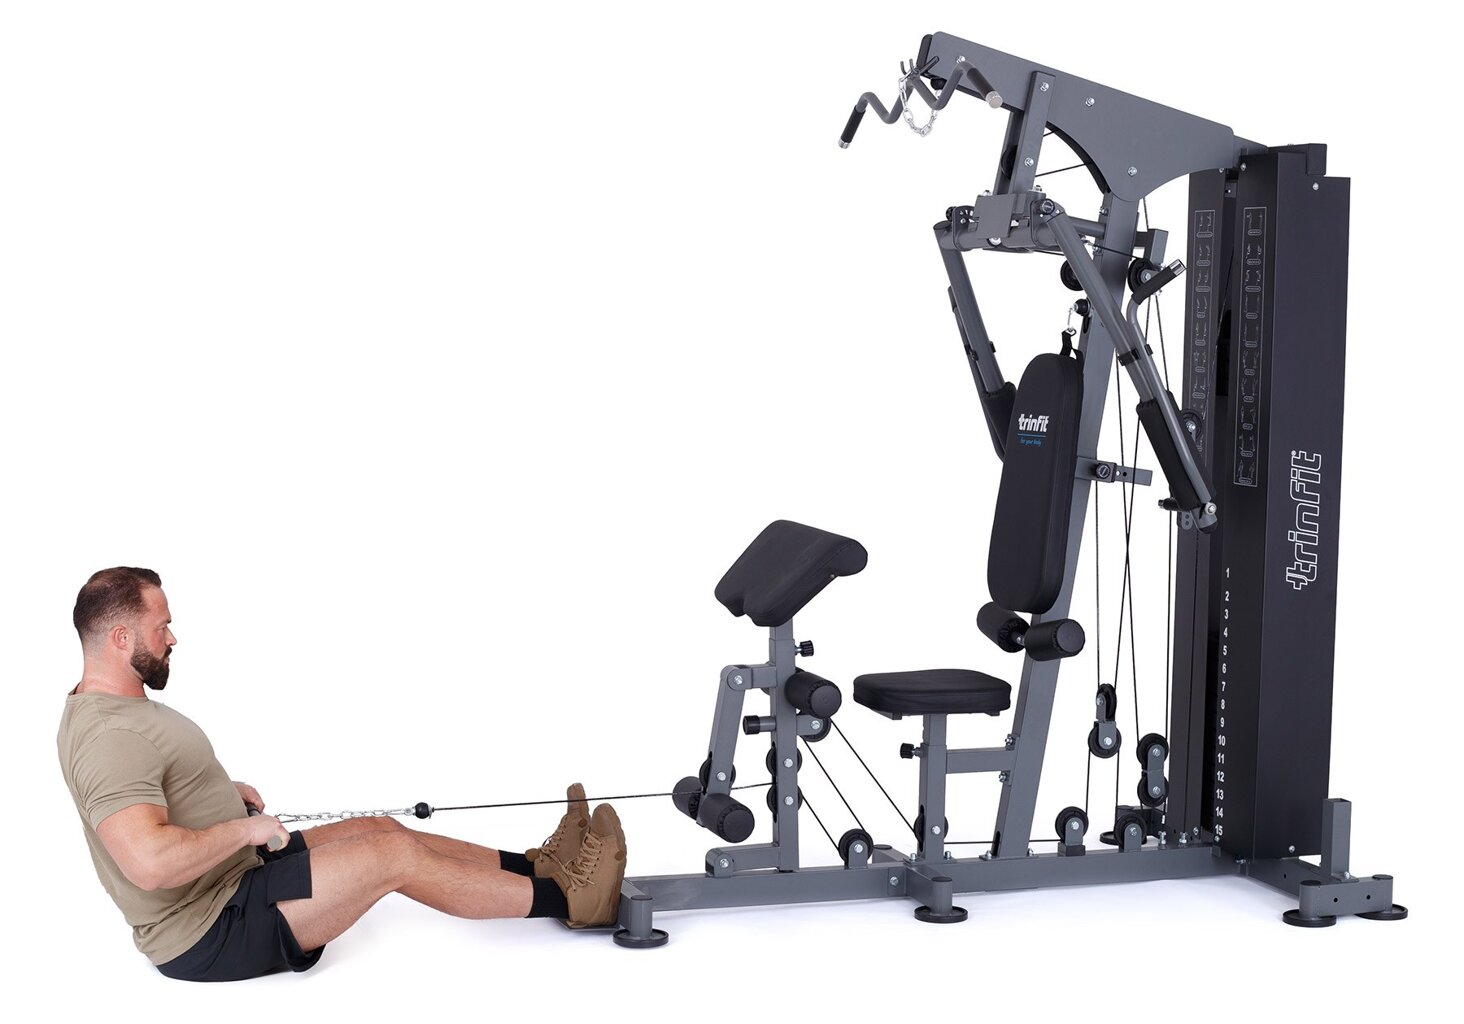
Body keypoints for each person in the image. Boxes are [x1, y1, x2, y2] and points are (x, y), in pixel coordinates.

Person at [57, 567, 627, 982]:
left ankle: (536, 865)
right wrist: (243, 828)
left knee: (382, 829)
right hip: (210, 928)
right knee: (391, 858)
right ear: (122, 638)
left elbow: (145, 793)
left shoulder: (112, 710)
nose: (173, 638)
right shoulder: (109, 736)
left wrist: (216, 795)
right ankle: (573, 898)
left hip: (234, 873)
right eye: (162, 626)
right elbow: (149, 864)